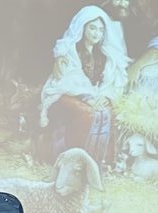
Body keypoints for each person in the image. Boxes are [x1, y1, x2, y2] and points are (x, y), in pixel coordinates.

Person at [40, 5, 130, 166]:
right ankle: (72, 159)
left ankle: (99, 161)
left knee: (107, 112)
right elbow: (69, 78)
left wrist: (106, 95)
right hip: (67, 93)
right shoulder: (71, 50)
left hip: (94, 95)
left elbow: (112, 79)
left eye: (101, 30)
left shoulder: (104, 53)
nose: (96, 34)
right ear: (83, 28)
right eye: (92, 28)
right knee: (88, 113)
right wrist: (88, 97)